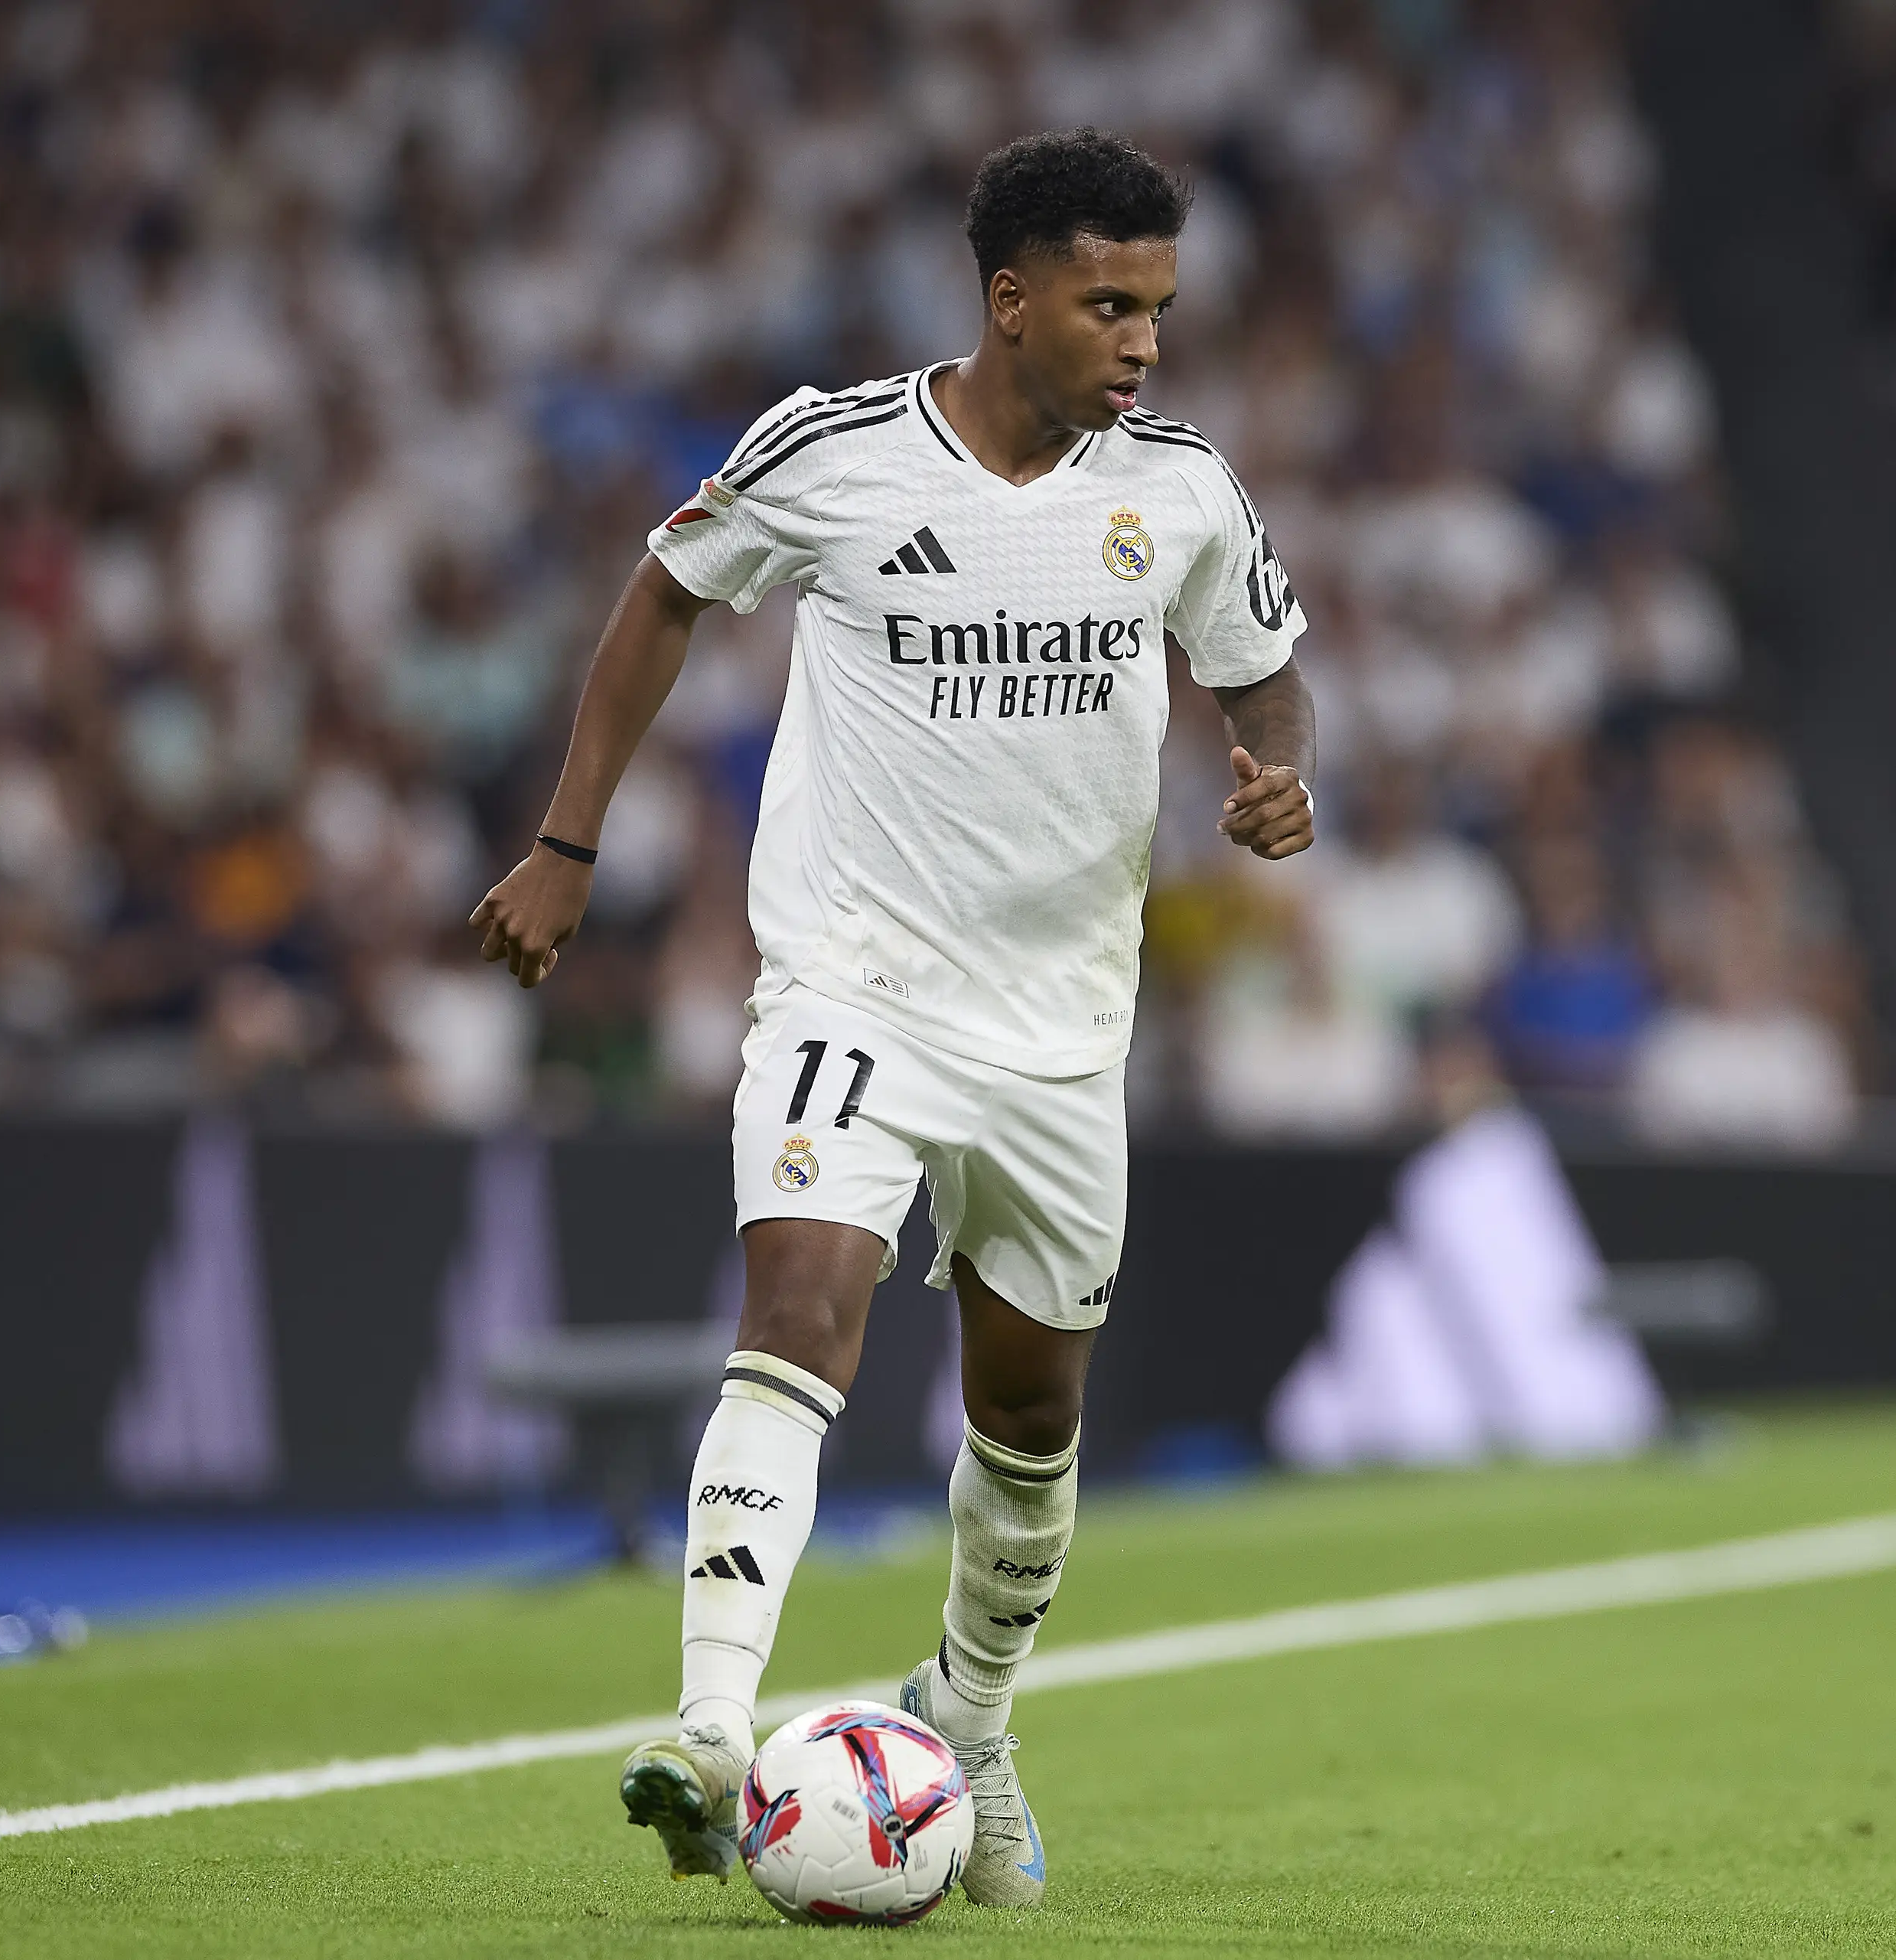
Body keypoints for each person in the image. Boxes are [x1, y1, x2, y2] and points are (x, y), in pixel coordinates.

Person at [469, 129, 1316, 1909]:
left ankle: (978, 1724)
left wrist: (1277, 778)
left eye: (1159, 308)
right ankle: (710, 1731)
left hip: (1064, 1031)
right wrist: (566, 841)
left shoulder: (1180, 491)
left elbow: (1260, 664)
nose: (1145, 342)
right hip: (853, 983)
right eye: (1110, 305)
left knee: (1028, 1420)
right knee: (799, 1307)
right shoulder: (833, 455)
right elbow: (662, 594)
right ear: (1011, 301)